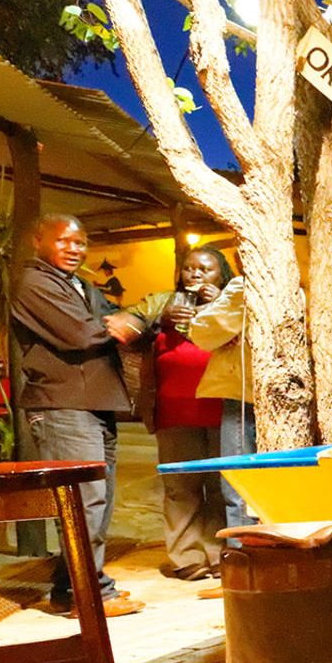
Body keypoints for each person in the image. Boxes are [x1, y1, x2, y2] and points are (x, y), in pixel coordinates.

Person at [11, 213, 142, 617]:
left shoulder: (81, 285)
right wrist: (119, 322)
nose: (75, 249)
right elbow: (80, 334)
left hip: (95, 403)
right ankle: (92, 594)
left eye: (81, 243)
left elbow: (123, 320)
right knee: (84, 502)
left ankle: (71, 590)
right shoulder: (33, 282)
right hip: (62, 404)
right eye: (64, 241)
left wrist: (128, 319)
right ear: (38, 241)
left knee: (97, 502)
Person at [111, 246, 236, 580]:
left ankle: (220, 553)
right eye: (189, 268)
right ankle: (187, 557)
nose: (195, 274)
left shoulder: (231, 302)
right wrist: (158, 320)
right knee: (181, 487)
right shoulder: (165, 302)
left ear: (221, 274)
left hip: (222, 410)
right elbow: (132, 324)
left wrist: (219, 303)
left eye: (205, 269)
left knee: (221, 486)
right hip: (174, 410)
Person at [189, 269, 254, 531]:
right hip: (263, 396)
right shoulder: (299, 288)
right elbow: (208, 333)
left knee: (239, 485)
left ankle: (243, 560)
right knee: (252, 485)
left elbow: (203, 333)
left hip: (245, 396)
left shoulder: (241, 289)